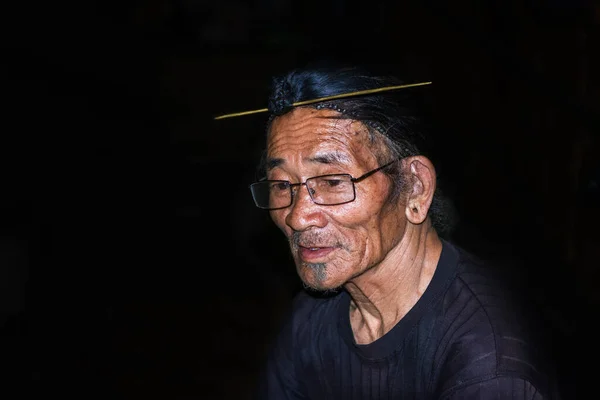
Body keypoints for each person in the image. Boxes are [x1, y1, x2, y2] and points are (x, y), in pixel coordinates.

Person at [217, 63, 563, 399]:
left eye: (333, 181)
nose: (297, 216)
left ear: (414, 187)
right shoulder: (311, 318)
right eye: (281, 185)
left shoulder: (489, 368)